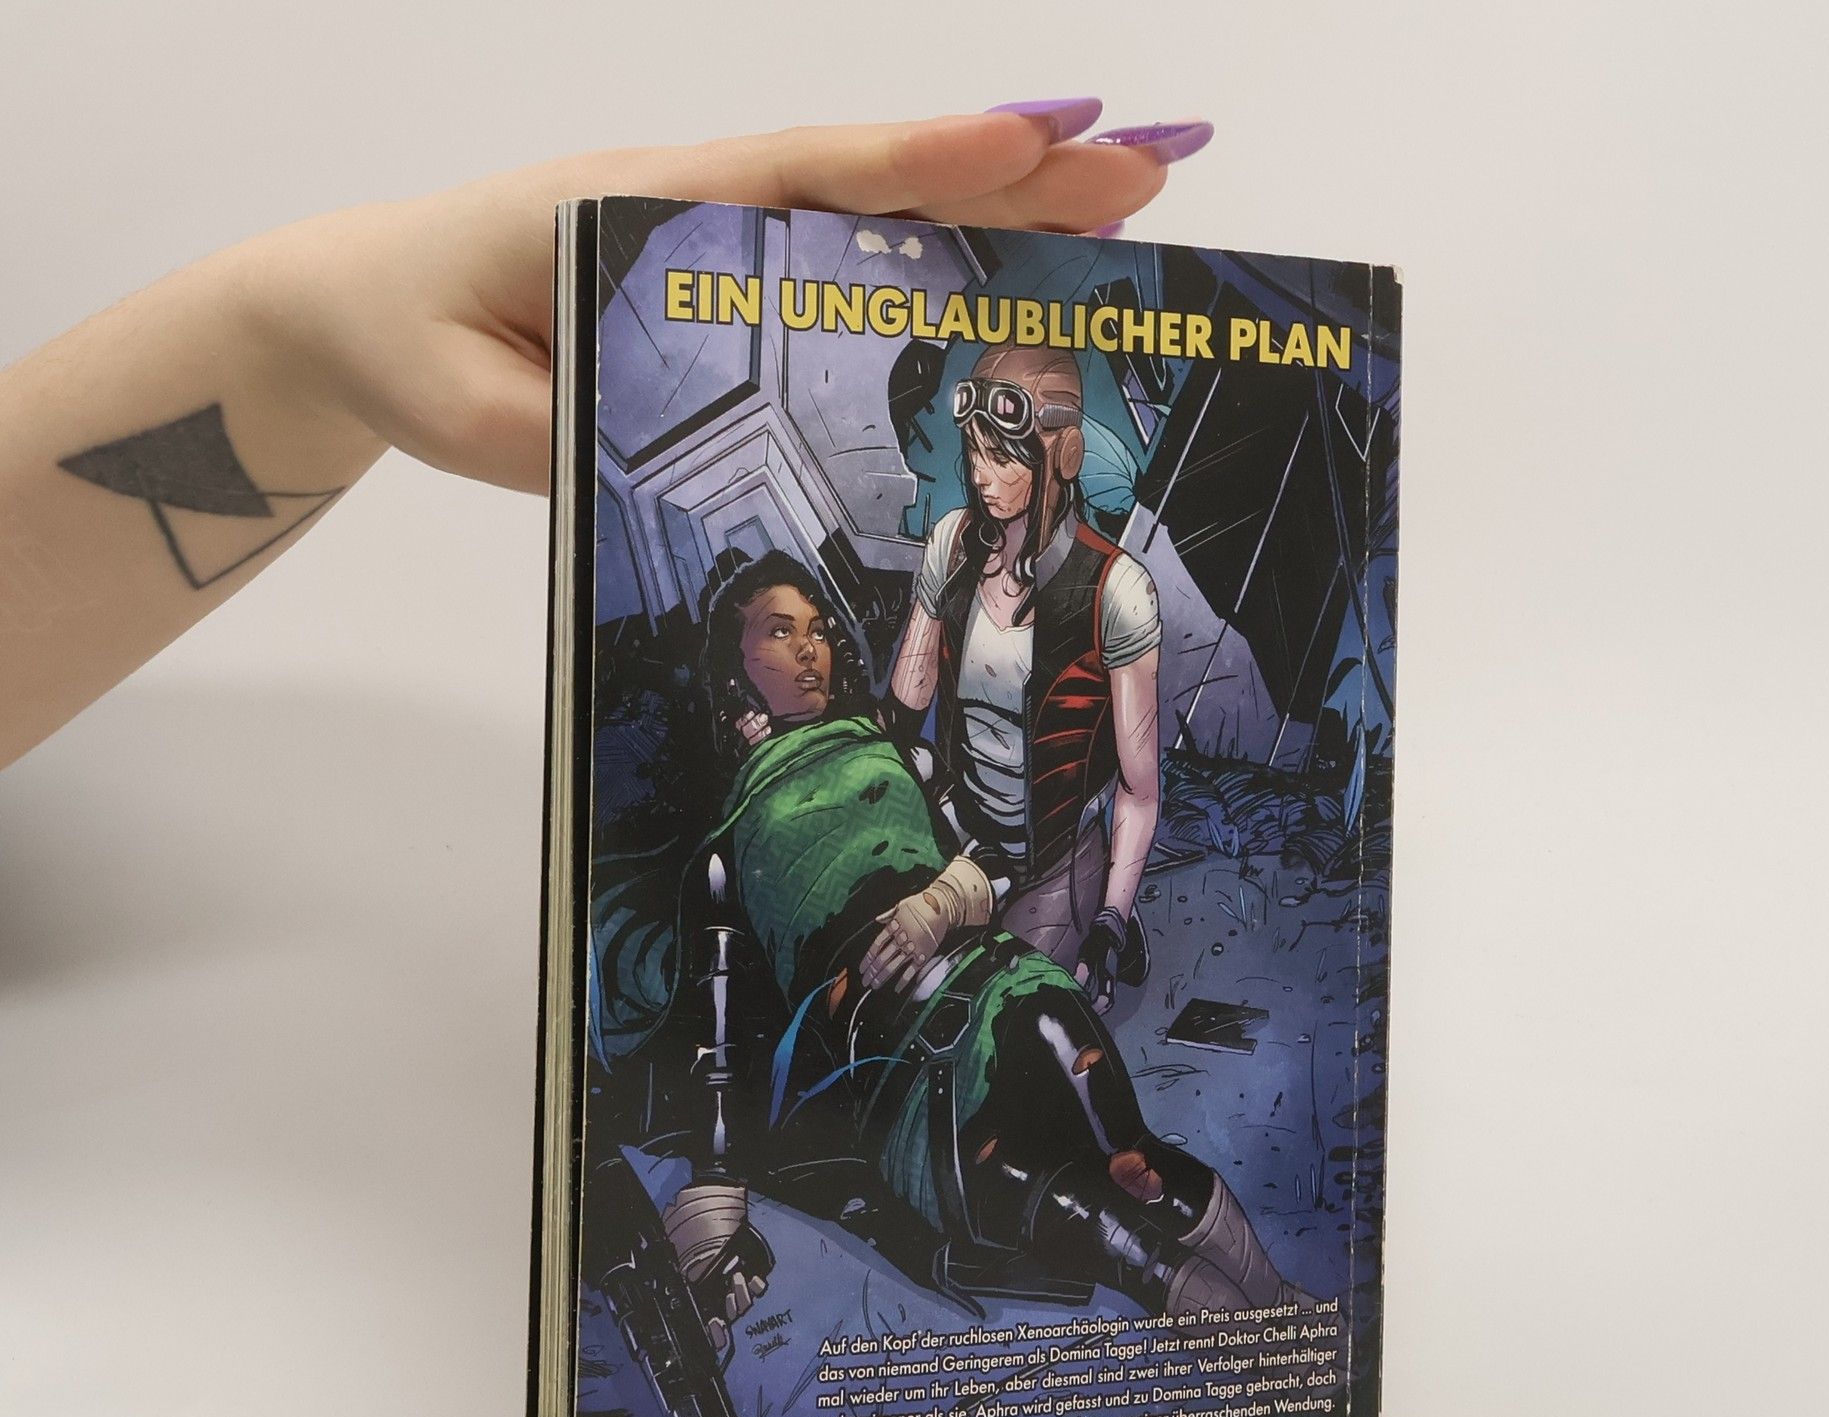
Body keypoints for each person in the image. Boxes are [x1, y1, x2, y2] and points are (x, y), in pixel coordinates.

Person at [0, 105, 1213, 768]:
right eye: (966, 439)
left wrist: (295, 342)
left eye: (1006, 441)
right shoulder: (940, 565)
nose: (976, 469)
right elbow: (908, 701)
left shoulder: (1108, 582)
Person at [597, 552, 1301, 1342]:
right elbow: (718, 1032)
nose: (809, 649)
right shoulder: (726, 848)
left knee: (1135, 1164)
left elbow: (996, 853)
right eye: (780, 632)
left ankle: (1290, 1319)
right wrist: (716, 1185)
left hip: (1006, 993)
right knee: (1095, 1229)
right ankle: (1272, 1352)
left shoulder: (900, 756)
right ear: (735, 671)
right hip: (897, 1087)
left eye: (818, 630)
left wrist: (946, 900)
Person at [884, 344, 1161, 1011]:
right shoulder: (951, 546)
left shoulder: (1117, 589)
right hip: (958, 836)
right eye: (975, 451)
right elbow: (900, 715)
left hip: (1054, 862)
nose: (982, 476)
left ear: (1063, 456)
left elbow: (1139, 790)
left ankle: (1104, 910)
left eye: (1003, 457)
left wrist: (1110, 922)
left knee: (1006, 1017)